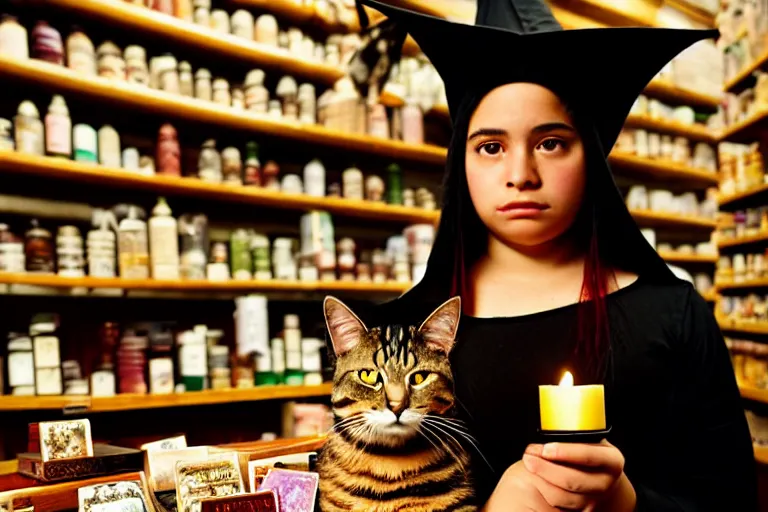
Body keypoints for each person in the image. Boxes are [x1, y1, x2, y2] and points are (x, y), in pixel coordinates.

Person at [354, 0, 759, 510]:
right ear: (462, 163)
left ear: (590, 156)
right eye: (491, 147)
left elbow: (735, 501)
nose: (521, 173)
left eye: (550, 142)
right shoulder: (396, 338)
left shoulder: (675, 314)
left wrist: (626, 503)